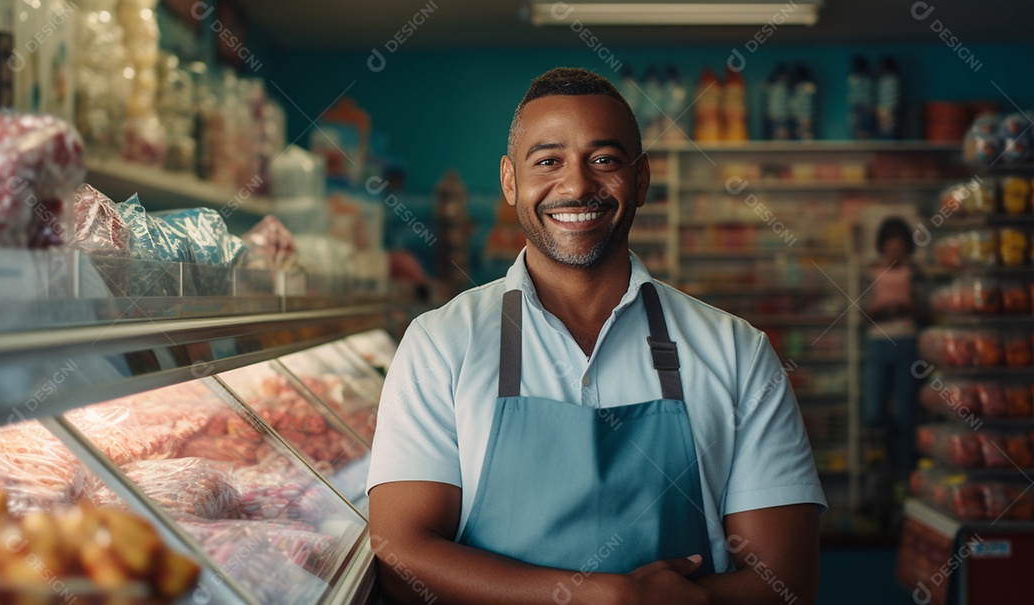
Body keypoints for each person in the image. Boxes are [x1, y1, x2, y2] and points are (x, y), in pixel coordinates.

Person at [368, 67, 825, 605]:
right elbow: (400, 556)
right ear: (511, 181)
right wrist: (599, 597)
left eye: (604, 160)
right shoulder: (440, 344)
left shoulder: (737, 351)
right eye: (548, 161)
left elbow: (786, 582)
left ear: (642, 179)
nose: (577, 184)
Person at [862, 217, 923, 498]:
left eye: (900, 247)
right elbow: (856, 314)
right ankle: (880, 467)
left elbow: (929, 311)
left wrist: (909, 307)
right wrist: (876, 309)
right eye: (890, 246)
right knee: (873, 412)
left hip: (908, 344)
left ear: (907, 248)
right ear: (882, 247)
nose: (894, 252)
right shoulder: (868, 273)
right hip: (877, 344)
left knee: (904, 414)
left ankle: (903, 478)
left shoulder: (917, 273)